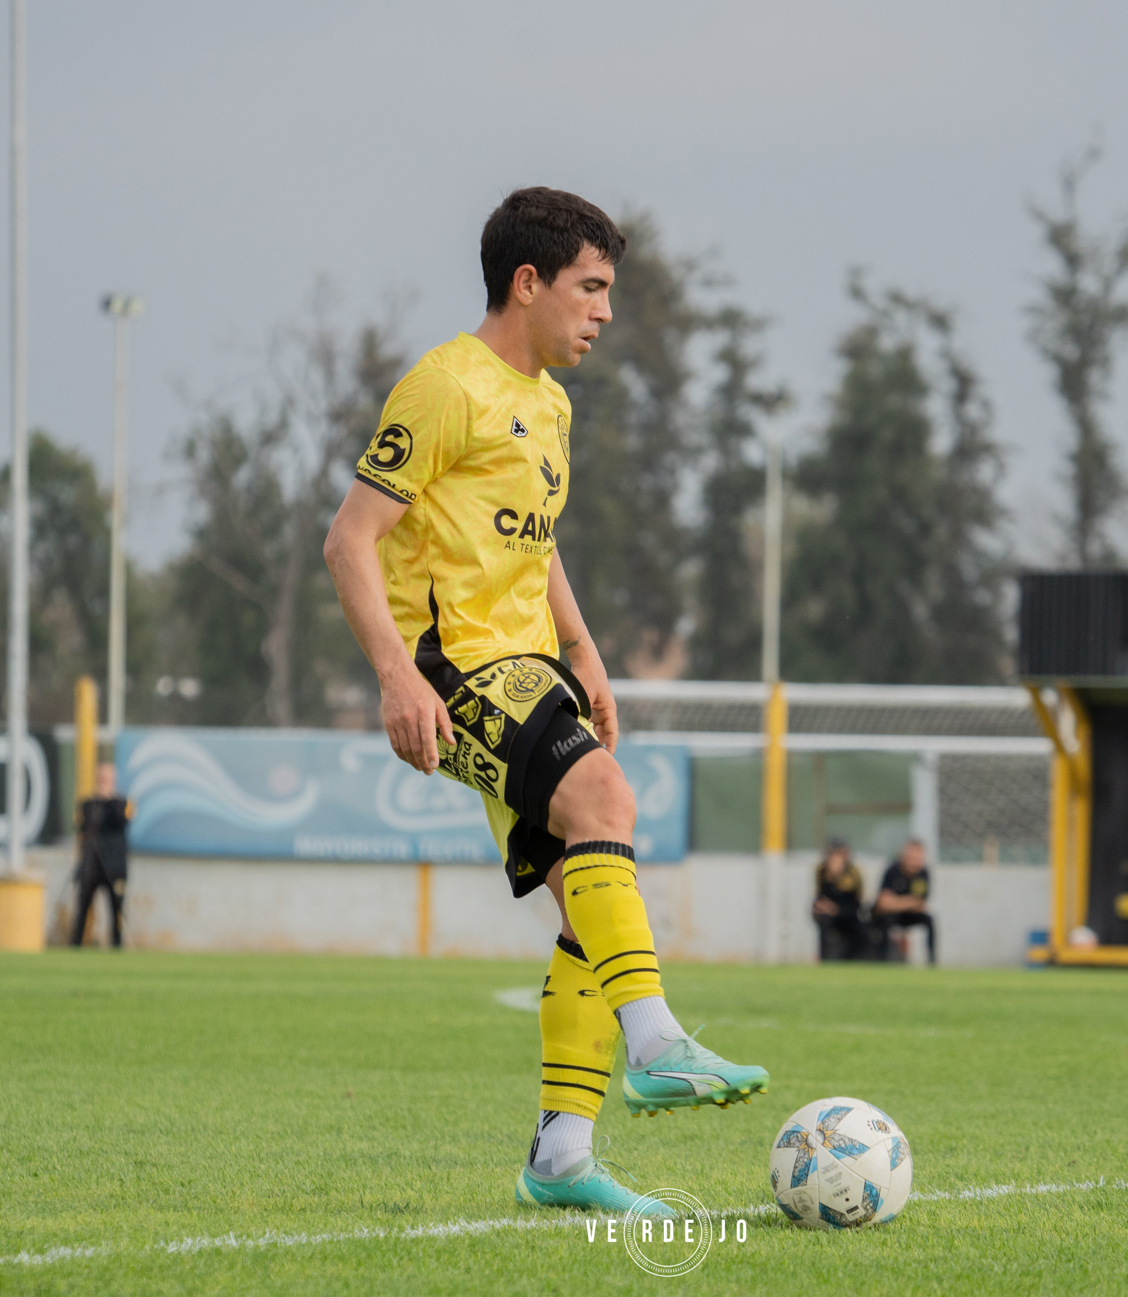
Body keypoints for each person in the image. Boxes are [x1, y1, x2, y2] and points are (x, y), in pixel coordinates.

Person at [323, 188, 765, 1219]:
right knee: (608, 801)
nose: (606, 312)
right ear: (529, 283)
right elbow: (349, 539)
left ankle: (561, 1155)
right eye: (592, 288)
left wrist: (584, 647)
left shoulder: (552, 403)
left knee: (586, 886)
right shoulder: (443, 386)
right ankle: (655, 1044)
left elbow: (532, 538)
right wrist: (394, 673)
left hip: (528, 664)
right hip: (454, 667)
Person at [71, 762, 131, 948]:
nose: (103, 781)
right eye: (101, 777)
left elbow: (121, 822)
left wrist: (109, 799)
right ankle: (75, 945)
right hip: (91, 865)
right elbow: (82, 829)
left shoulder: (122, 804)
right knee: (83, 908)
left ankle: (116, 946)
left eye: (107, 777)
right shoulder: (88, 804)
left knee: (116, 910)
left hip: (114, 867)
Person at [874, 839, 937, 964]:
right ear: (904, 856)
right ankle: (884, 959)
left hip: (909, 915)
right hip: (892, 915)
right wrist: (909, 902)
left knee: (929, 919)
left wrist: (895, 902)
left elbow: (920, 904)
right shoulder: (892, 871)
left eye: (918, 858)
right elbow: (882, 903)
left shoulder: (923, 873)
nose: (915, 862)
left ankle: (931, 960)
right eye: (912, 858)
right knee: (886, 919)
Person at [812, 838, 868, 961]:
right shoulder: (821, 870)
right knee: (824, 921)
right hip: (828, 913)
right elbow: (819, 897)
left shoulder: (853, 872)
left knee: (864, 933)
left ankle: (846, 959)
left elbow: (856, 902)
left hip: (848, 912)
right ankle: (824, 960)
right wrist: (831, 877)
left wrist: (836, 908)